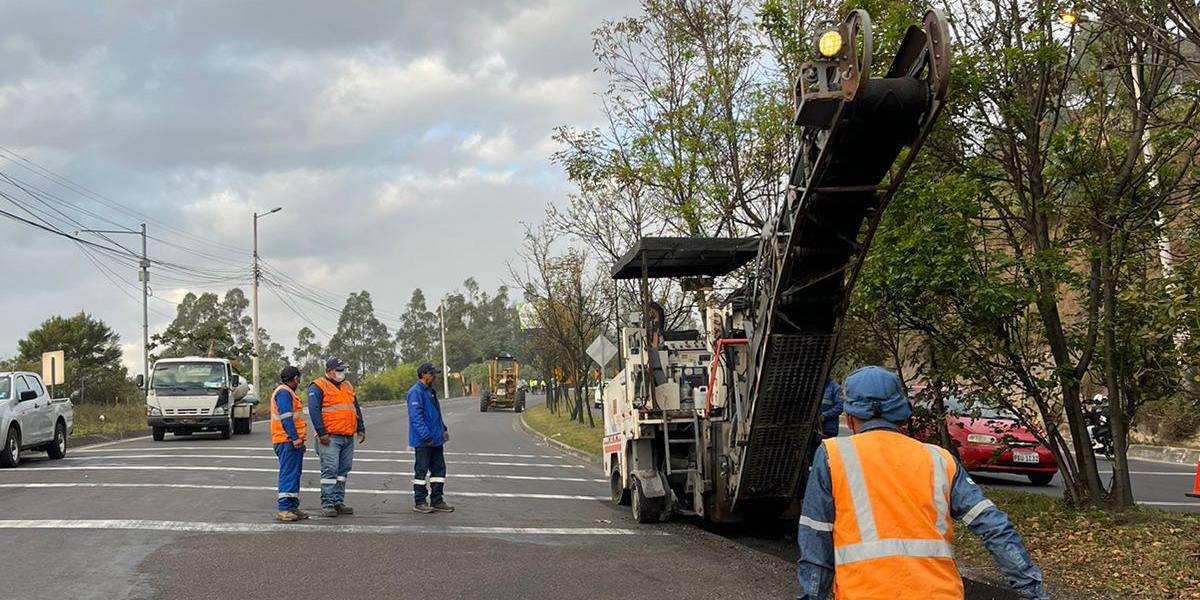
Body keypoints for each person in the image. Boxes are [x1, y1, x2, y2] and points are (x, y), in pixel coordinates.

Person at [796, 366, 1049, 600]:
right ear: (902, 415)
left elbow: (817, 539)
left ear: (850, 418)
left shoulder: (833, 456)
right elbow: (993, 527)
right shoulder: (939, 459)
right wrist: (1033, 591)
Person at [307, 357, 365, 517]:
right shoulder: (317, 386)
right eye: (339, 370)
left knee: (343, 470)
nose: (342, 373)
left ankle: (338, 502)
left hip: (347, 435)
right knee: (330, 470)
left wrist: (360, 428)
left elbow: (355, 407)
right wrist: (321, 433)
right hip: (330, 437)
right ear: (329, 371)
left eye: (343, 370)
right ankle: (327, 503)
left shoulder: (347, 385)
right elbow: (314, 411)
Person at [408, 362, 453, 513]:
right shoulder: (416, 392)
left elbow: (435, 413)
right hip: (424, 441)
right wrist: (426, 436)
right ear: (424, 374)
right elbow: (416, 417)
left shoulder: (430, 391)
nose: (434, 377)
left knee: (439, 470)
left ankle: (437, 500)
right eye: (432, 374)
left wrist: (443, 429)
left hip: (436, 439)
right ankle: (420, 501)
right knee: (421, 471)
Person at [271, 365, 308, 522]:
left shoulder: (287, 392)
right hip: (286, 440)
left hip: (291, 441)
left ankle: (292, 506)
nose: (299, 381)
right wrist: (294, 437)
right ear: (295, 378)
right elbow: (286, 418)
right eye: (298, 378)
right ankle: (284, 508)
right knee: (288, 474)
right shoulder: (284, 393)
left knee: (294, 474)